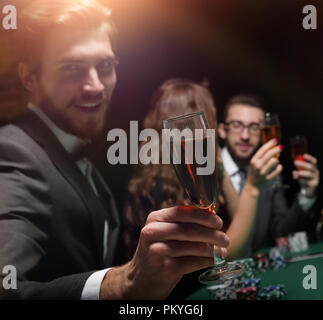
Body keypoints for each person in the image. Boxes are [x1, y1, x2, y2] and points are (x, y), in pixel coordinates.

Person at [0, 0, 230, 300]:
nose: (96, 86)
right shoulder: (12, 151)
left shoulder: (79, 156)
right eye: (72, 68)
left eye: (105, 66)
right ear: (30, 77)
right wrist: (123, 284)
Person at [123, 79, 284, 267]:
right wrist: (252, 189)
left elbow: (240, 223)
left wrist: (216, 160)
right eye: (211, 115)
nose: (214, 126)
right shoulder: (160, 187)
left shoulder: (207, 169)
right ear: (192, 122)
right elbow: (225, 255)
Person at [218, 94, 320, 253]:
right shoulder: (207, 175)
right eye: (237, 125)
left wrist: (307, 194)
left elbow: (280, 231)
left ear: (263, 132)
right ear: (223, 130)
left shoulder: (270, 173)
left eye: (254, 127)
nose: (245, 136)